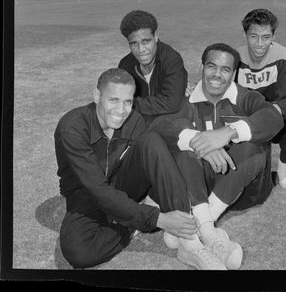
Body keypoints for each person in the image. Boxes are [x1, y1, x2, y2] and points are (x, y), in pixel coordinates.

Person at [54, 68, 228, 270]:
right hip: (86, 193)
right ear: (96, 96)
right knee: (78, 252)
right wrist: (157, 219)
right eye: (113, 100)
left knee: (153, 141)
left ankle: (189, 242)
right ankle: (135, 223)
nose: (121, 110)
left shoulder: (133, 120)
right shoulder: (72, 127)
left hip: (122, 184)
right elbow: (98, 190)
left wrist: (199, 142)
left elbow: (159, 139)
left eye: (127, 102)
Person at [150, 43, 283, 269]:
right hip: (196, 185)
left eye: (225, 69)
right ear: (202, 67)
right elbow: (160, 125)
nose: (217, 74)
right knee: (183, 151)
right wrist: (201, 140)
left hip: (241, 188)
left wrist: (228, 133)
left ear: (234, 73)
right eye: (211, 66)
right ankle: (208, 232)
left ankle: (192, 226)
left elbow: (273, 118)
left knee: (257, 144)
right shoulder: (185, 98)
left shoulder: (245, 97)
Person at [236, 8, 286, 190]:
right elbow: (221, 87)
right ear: (245, 34)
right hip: (246, 116)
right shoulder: (235, 57)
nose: (260, 43)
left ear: (273, 36)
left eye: (266, 37)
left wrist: (266, 117)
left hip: (275, 114)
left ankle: (284, 167)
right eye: (254, 36)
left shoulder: (284, 56)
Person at [118, 10, 188, 126]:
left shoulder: (171, 60)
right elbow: (119, 101)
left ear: (155, 37)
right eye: (134, 43)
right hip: (138, 126)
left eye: (146, 41)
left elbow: (172, 103)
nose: (141, 50)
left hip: (169, 125)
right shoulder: (125, 65)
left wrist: (130, 103)